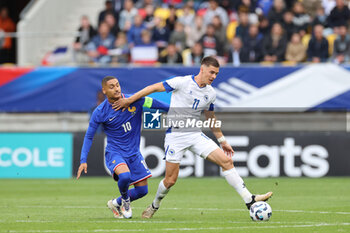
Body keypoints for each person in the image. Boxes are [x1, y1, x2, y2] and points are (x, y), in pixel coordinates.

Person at [113, 56, 273, 219]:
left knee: (227, 161)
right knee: (170, 181)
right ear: (202, 69)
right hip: (175, 136)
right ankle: (155, 205)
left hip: (195, 134)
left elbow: (210, 117)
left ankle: (249, 199)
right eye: (211, 72)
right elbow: (153, 88)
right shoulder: (182, 82)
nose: (213, 76)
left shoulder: (211, 93)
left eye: (216, 74)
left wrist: (222, 140)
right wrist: (130, 100)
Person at [77, 76, 169, 219]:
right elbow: (89, 136)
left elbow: (155, 103)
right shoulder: (100, 112)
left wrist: (176, 110)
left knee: (142, 191)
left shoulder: (134, 99)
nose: (116, 88)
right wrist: (83, 159)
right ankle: (125, 201)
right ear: (104, 90)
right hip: (115, 152)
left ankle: (115, 203)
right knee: (125, 176)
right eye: (112, 86)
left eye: (118, 85)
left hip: (134, 153)